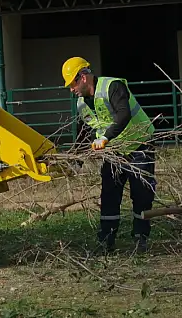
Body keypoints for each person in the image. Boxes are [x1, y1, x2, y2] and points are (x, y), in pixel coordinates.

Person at [61, 57, 157, 253]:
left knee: (142, 194)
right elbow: (85, 131)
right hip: (114, 152)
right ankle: (106, 240)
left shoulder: (112, 86)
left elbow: (123, 114)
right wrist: (77, 161)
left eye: (72, 83)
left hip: (139, 145)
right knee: (110, 195)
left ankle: (140, 238)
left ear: (83, 77)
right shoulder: (81, 104)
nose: (71, 89)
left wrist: (105, 138)